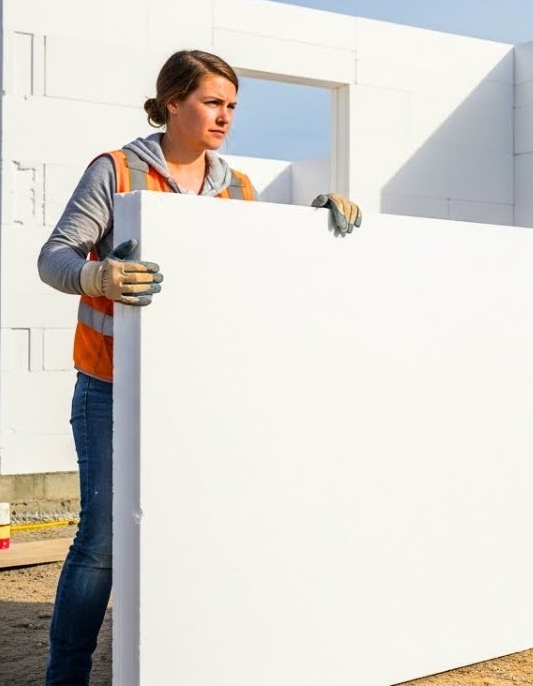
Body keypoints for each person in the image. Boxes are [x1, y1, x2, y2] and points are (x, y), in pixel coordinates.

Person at [36, 49, 362, 686]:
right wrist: (95, 274)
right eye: (213, 102)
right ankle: (65, 675)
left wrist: (316, 217)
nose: (224, 117)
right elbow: (53, 258)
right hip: (110, 385)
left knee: (199, 525)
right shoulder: (118, 169)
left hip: (191, 393)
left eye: (232, 106)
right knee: (101, 542)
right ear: (173, 102)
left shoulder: (235, 188)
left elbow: (253, 264)